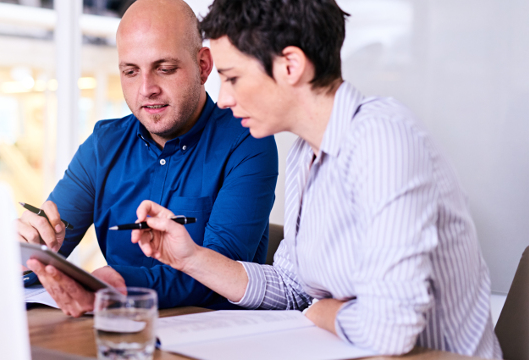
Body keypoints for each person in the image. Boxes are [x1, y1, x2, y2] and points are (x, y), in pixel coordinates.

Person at [130, 0, 503, 358]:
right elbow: (294, 287)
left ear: (290, 65)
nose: (224, 99)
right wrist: (191, 258)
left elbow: (391, 327)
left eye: (233, 78)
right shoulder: (305, 154)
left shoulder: (383, 139)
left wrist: (323, 311)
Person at [20, 0, 278, 315]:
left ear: (203, 66)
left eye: (165, 68)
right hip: (115, 331)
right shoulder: (104, 145)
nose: (146, 89)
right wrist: (25, 252)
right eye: (130, 71)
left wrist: (119, 284)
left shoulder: (248, 140)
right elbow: (47, 251)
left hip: (212, 338)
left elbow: (221, 271)